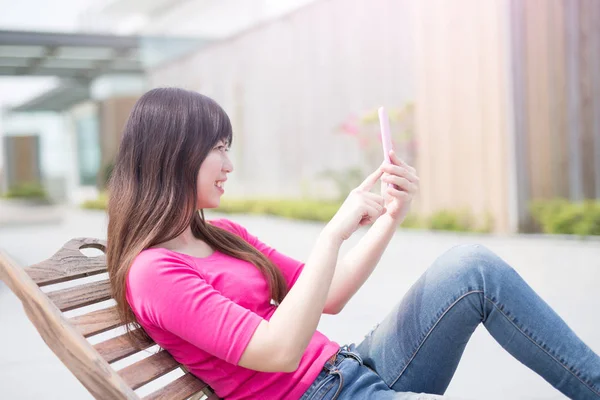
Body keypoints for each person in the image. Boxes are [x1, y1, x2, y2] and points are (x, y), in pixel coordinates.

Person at [106, 87, 600, 400]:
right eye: (217, 148)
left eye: (226, 147)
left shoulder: (224, 236)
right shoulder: (154, 272)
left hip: (350, 366)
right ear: (173, 154)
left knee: (471, 267)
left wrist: (388, 217)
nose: (229, 164)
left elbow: (333, 294)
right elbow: (277, 352)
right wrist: (333, 233)